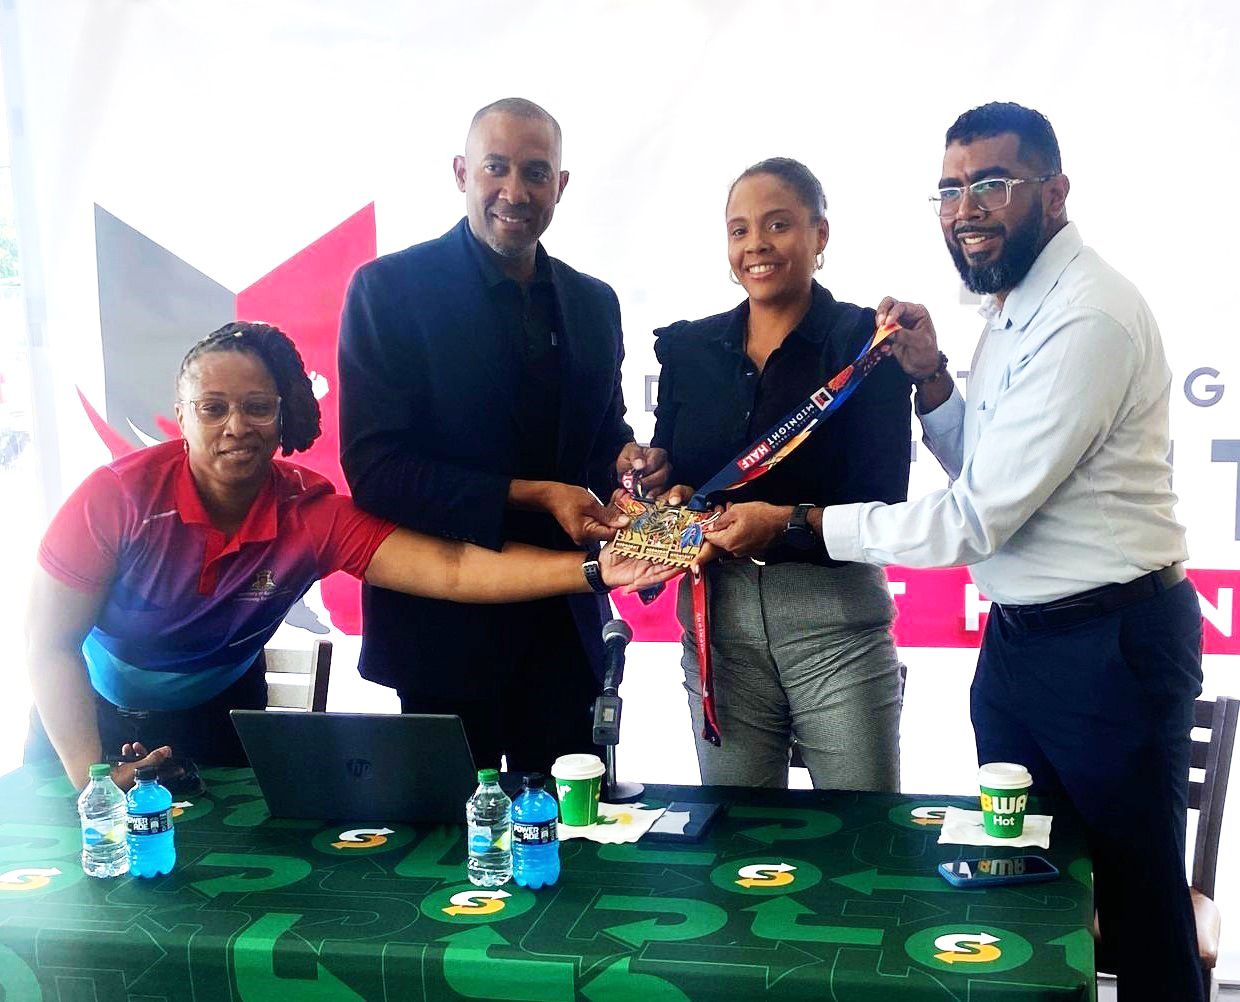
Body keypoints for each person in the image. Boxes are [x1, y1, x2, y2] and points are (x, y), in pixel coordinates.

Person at [802, 103, 1201, 1000]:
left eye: (992, 184)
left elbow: (974, 519)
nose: (965, 208)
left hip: (1112, 645)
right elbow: (983, 469)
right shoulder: (1016, 304)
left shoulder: (1089, 315)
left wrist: (803, 524)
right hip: (1026, 643)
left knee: (1136, 905)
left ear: (1054, 193)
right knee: (1026, 881)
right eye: (950, 188)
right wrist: (934, 377)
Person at [25, 322, 674, 792]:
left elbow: (450, 568)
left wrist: (592, 570)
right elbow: (48, 644)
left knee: (222, 891)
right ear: (180, 415)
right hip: (87, 716)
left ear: (284, 417)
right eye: (211, 408)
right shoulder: (116, 499)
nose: (235, 426)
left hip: (214, 716)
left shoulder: (310, 515)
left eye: (257, 408)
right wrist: (91, 776)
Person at [338, 98, 667, 776]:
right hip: (442, 635)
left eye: (536, 172)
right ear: (462, 172)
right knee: (452, 860)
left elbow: (603, 431)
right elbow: (377, 471)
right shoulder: (388, 291)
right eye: (496, 167)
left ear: (561, 186)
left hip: (565, 623)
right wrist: (538, 494)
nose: (515, 192)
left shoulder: (593, 303)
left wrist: (628, 463)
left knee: (576, 846)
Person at [652, 158, 911, 790]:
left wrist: (780, 526)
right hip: (718, 622)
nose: (756, 246)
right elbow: (673, 474)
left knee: (862, 839)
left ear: (821, 234)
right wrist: (664, 485)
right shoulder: (687, 349)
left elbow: (883, 499)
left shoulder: (866, 342)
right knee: (736, 843)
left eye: (777, 225)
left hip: (835, 623)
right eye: (739, 231)